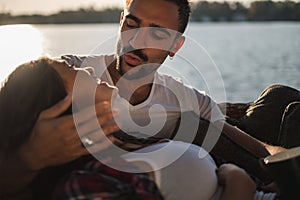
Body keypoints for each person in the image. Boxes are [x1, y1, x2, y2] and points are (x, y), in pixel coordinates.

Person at [1, 0, 299, 197]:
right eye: (132, 24)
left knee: (279, 99)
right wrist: (31, 156)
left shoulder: (180, 97)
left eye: (157, 34)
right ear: (121, 22)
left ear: (175, 46)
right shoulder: (70, 78)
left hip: (232, 174)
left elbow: (247, 143)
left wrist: (282, 168)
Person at [0, 57, 277, 200]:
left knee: (278, 98)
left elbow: (213, 129)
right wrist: (238, 184)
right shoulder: (87, 184)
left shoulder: (123, 140)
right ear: (61, 109)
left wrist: (258, 172)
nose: (87, 69)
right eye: (71, 68)